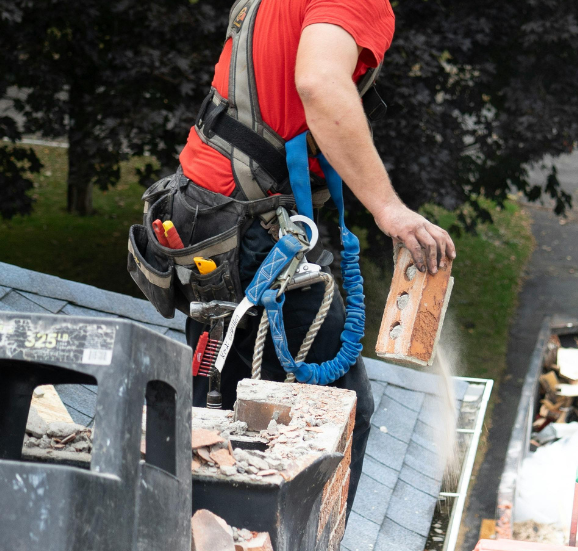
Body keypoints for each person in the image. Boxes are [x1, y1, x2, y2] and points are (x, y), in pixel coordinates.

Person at [176, 0, 455, 514]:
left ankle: (201, 529)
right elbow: (320, 83)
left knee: (215, 407)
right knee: (335, 416)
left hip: (206, 217)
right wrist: (388, 208)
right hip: (249, 229)